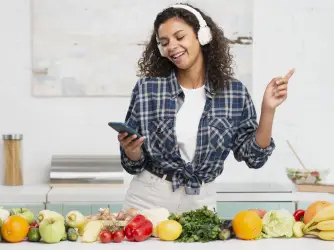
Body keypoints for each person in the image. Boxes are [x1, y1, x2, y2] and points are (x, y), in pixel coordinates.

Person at [118, 3, 295, 214]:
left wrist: (268, 109)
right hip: (147, 197)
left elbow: (254, 157)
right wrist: (132, 151)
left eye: (180, 37)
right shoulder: (147, 89)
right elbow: (133, 165)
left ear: (202, 35)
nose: (171, 46)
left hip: (200, 202)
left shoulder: (234, 92)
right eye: (164, 42)